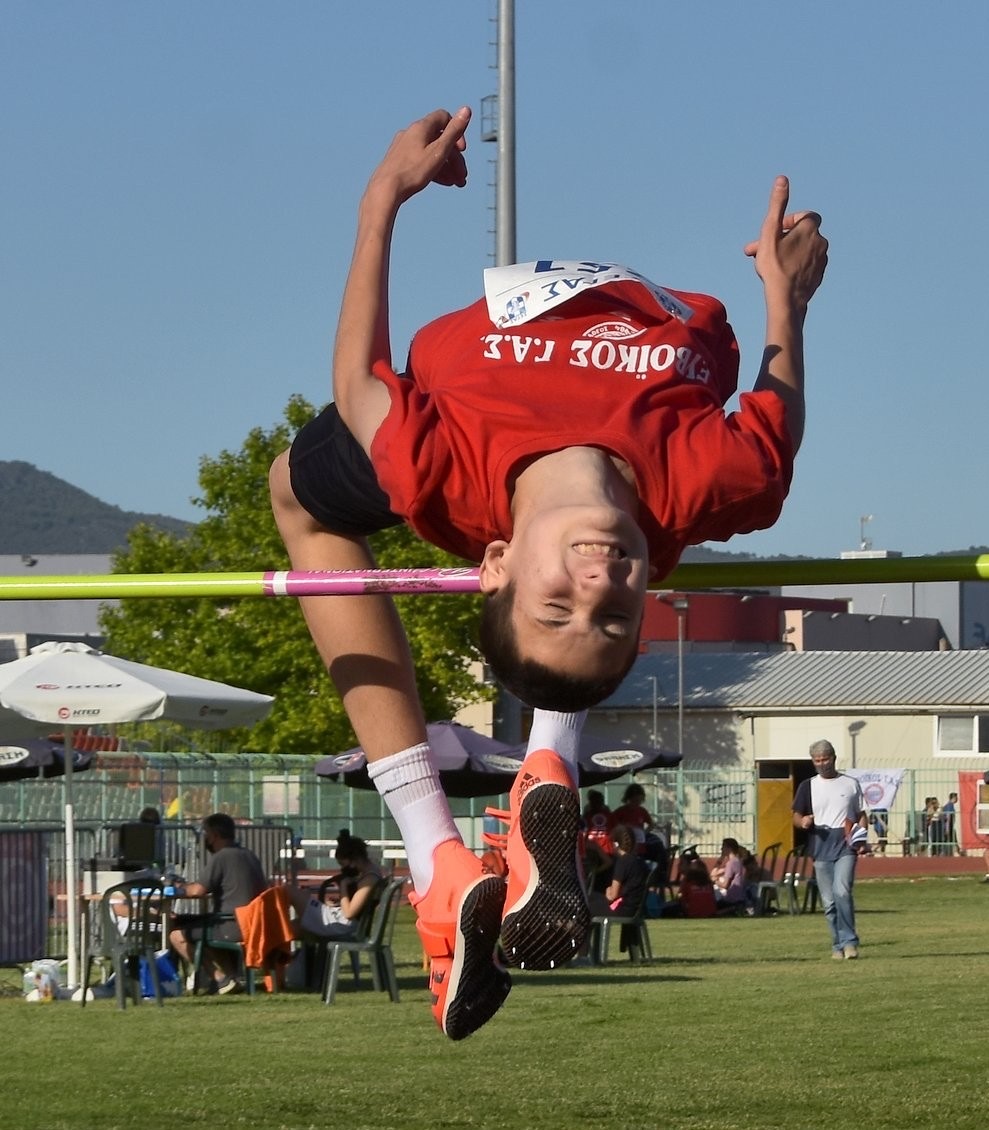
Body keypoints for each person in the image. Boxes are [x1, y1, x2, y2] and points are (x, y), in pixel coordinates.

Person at [268, 105, 827, 1038]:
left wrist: (383, 198)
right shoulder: (710, 480)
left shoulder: (433, 472)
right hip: (654, 381)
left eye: (556, 602)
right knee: (584, 612)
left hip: (465, 423)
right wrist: (786, 300)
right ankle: (546, 758)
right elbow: (779, 413)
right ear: (651, 577)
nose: (596, 586)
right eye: (610, 616)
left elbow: (359, 382)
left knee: (297, 497)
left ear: (494, 562)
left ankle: (438, 858)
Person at [168, 812, 269, 994]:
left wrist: (177, 885)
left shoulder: (222, 857)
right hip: (252, 922)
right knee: (188, 921)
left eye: (205, 833)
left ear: (214, 835)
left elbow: (197, 891)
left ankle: (219, 978)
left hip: (231, 924)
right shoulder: (248, 855)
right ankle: (232, 977)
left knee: (176, 934)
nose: (204, 838)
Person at [792, 740, 867, 960]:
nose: (821, 764)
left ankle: (850, 942)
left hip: (845, 844)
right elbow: (796, 816)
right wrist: (803, 821)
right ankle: (837, 945)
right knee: (829, 901)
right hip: (820, 842)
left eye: (825, 759)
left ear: (833, 758)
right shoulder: (808, 786)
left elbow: (861, 814)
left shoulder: (850, 784)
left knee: (842, 891)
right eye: (817, 761)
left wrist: (860, 836)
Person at [287, 829, 383, 940]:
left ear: (355, 859)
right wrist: (336, 903)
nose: (342, 869)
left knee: (289, 890)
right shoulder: (369, 873)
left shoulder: (369, 879)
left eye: (343, 864)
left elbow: (349, 913)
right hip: (340, 920)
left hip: (342, 925)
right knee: (287, 928)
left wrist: (343, 887)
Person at [586, 824, 651, 920]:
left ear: (615, 844)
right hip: (635, 908)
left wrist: (608, 890)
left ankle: (590, 934)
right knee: (593, 897)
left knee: (585, 905)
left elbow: (612, 896)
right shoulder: (640, 862)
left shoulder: (622, 862)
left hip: (622, 909)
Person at [710, 837, 747, 909]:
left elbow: (725, 885)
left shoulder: (730, 863)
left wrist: (715, 880)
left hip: (731, 899)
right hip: (740, 897)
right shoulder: (738, 862)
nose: (721, 849)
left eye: (723, 847)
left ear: (729, 848)